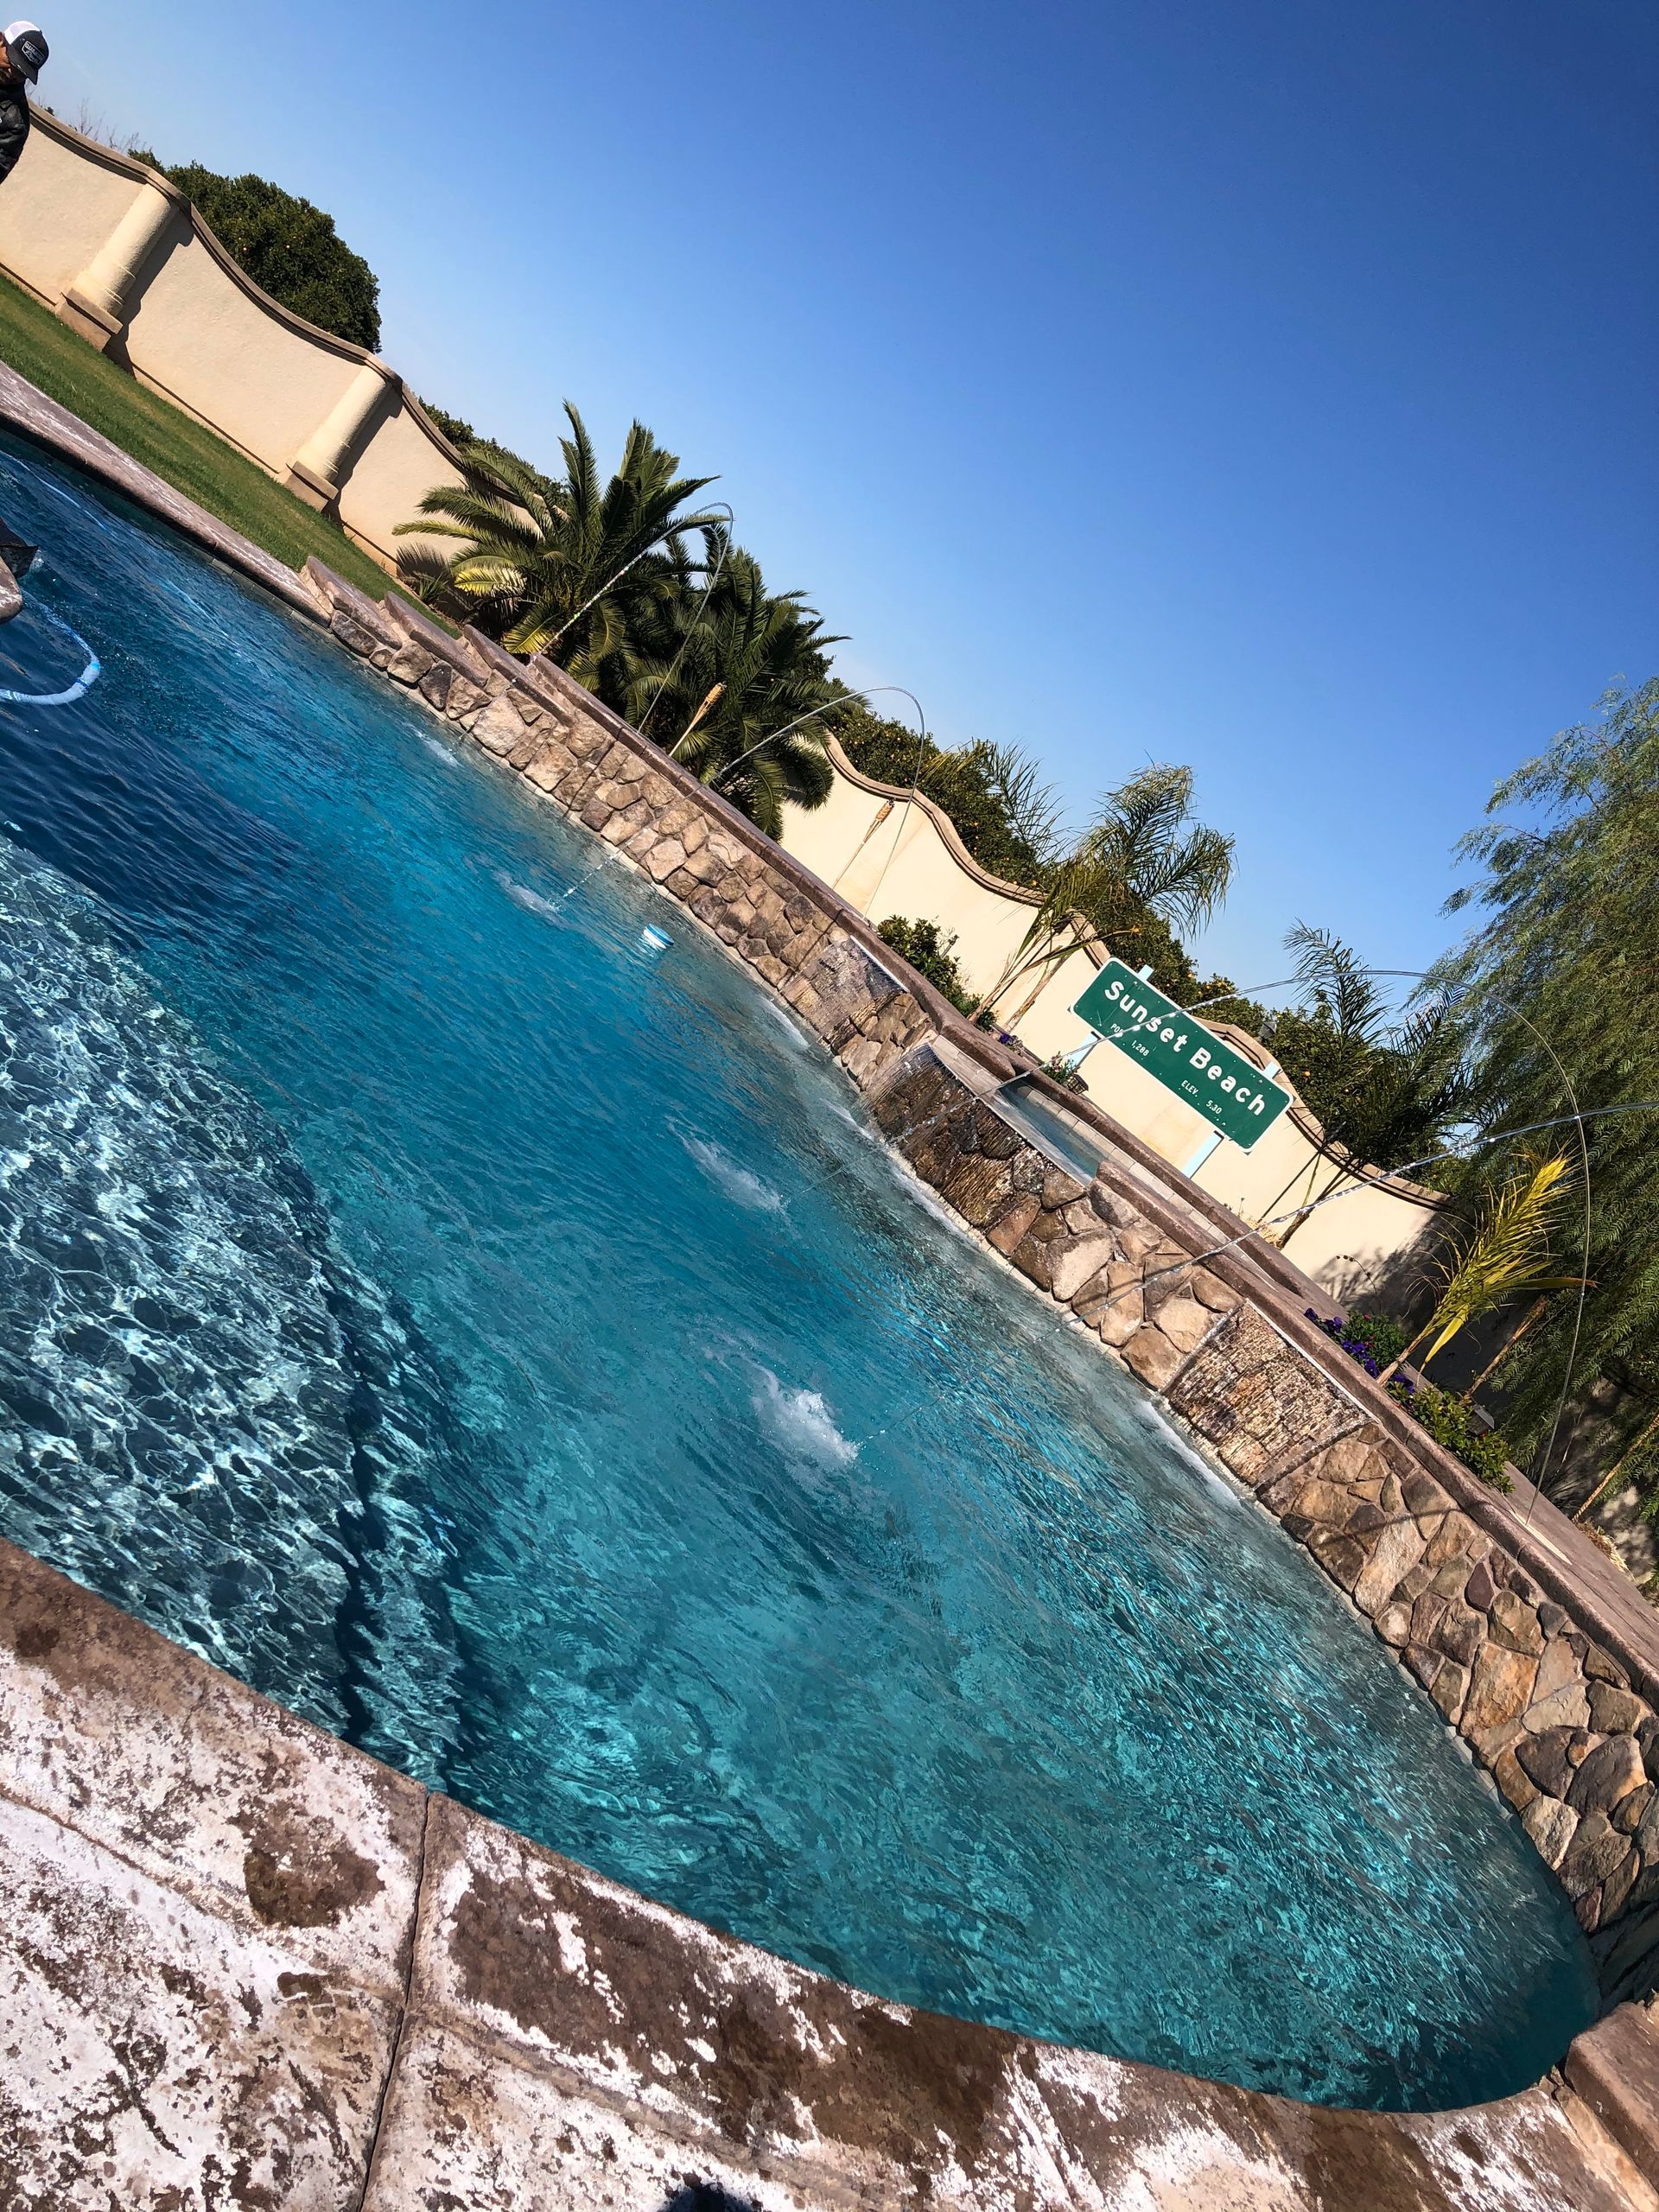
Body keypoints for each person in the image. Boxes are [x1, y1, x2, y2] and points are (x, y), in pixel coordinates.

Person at [0, 20, 48, 187]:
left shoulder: (15, 124)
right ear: (1, 41)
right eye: (11, 61)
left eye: (21, 73)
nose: (12, 73)